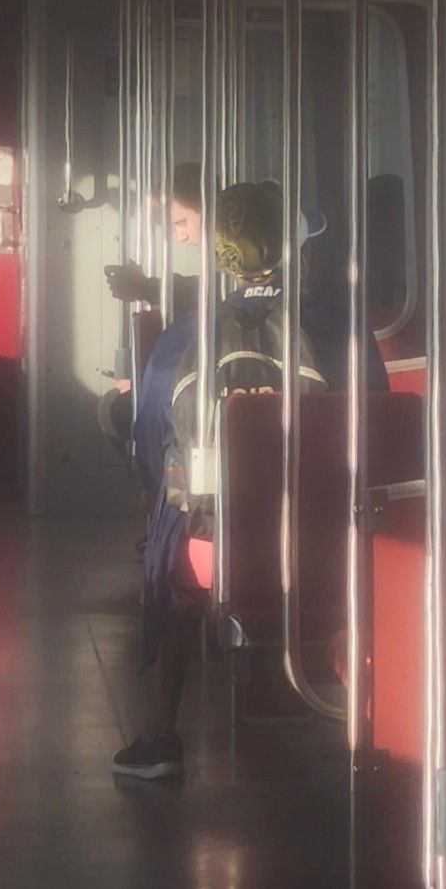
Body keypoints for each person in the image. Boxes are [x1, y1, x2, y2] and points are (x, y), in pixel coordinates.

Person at [108, 172, 386, 781]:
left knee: (168, 537)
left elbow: (154, 452)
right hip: (328, 546)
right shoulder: (345, 333)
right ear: (300, 255)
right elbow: (381, 432)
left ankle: (159, 735)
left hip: (214, 550)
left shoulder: (184, 339)